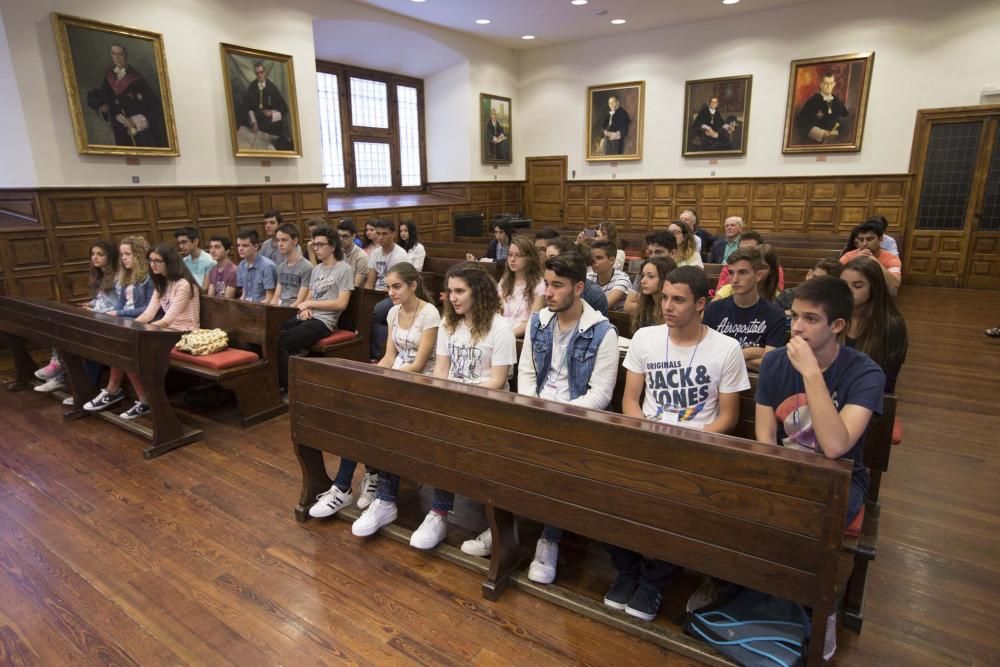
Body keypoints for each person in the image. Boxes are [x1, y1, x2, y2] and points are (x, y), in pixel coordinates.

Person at [755, 276, 884, 662]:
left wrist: (812, 374)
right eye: (794, 316)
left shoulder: (865, 373)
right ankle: (743, 590)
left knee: (810, 521)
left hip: (838, 481)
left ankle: (818, 607)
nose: (796, 327)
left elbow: (835, 446)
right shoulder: (777, 361)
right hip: (783, 472)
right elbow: (765, 439)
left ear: (838, 326)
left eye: (811, 319)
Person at [613, 266, 749, 621]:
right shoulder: (645, 337)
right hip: (647, 440)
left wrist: (694, 442)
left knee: (676, 501)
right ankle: (627, 571)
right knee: (607, 485)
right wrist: (643, 432)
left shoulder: (726, 349)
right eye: (665, 298)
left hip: (697, 448)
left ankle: (654, 583)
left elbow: (728, 417)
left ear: (701, 304)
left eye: (679, 300)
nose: (668, 307)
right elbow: (630, 399)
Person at [516, 252, 619, 583]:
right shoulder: (539, 322)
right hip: (537, 414)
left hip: (578, 423)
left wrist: (558, 417)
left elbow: (600, 396)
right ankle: (505, 528)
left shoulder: (603, 332)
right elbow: (527, 375)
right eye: (546, 284)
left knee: (559, 460)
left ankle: (549, 540)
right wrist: (534, 408)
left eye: (557, 286)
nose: (548, 292)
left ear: (577, 287)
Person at [407, 264, 516, 551]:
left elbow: (497, 381)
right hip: (454, 403)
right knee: (438, 441)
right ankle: (439, 513)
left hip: (488, 408)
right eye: (449, 291)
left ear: (477, 293)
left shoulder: (499, 327)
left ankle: (496, 527)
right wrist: (442, 401)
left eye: (459, 291)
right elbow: (441, 370)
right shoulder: (448, 323)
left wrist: (460, 395)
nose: (452, 298)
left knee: (477, 453)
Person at [350, 264, 442, 536]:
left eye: (396, 286)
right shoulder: (392, 312)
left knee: (387, 417)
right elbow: (390, 356)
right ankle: (372, 473)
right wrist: (373, 375)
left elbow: (420, 364)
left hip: (421, 381)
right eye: (388, 286)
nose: (391, 292)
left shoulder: (430, 313)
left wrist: (388, 382)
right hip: (397, 376)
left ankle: (382, 484)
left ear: (413, 285)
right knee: (360, 408)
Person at [83, 244, 200, 420]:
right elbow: (148, 314)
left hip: (184, 333)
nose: (153, 264)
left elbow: (168, 319)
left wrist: (140, 332)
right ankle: (137, 397)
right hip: (166, 331)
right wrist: (129, 328)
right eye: (151, 260)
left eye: (158, 261)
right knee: (123, 347)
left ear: (170, 262)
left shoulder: (183, 284)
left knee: (130, 349)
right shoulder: (162, 282)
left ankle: (140, 398)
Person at [35, 240, 122, 393]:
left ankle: (63, 375)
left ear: (111, 257)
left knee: (76, 338)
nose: (95, 257)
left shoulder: (118, 277)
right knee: (60, 326)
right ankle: (57, 373)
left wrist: (96, 311)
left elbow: (120, 305)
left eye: (100, 254)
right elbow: (101, 300)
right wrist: (91, 304)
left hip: (111, 320)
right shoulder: (101, 274)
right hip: (98, 316)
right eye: (93, 254)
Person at [277, 226, 354, 392]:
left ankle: (290, 388)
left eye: (320, 245)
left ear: (332, 246)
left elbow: (341, 303)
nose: (316, 249)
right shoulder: (317, 269)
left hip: (323, 322)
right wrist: (304, 309)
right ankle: (285, 381)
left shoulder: (344, 269)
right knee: (273, 332)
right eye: (314, 245)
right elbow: (309, 297)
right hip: (308, 316)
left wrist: (310, 305)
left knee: (284, 341)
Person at [704, 247, 788, 371]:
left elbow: (771, 364)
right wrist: (754, 352)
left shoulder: (775, 314)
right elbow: (707, 356)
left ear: (758, 275)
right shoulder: (714, 309)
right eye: (731, 273)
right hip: (719, 379)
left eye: (743, 272)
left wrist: (731, 356)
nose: (735, 279)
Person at [841, 256, 908, 393]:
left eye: (857, 286)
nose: (848, 292)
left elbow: (886, 383)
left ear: (874, 287)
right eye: (843, 285)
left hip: (868, 397)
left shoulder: (891, 326)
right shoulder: (836, 316)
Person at [85, 44, 166, 148]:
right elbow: (106, 96)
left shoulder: (137, 79)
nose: (117, 58)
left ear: (126, 56)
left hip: (138, 131)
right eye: (114, 54)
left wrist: (135, 121)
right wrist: (103, 106)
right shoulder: (109, 77)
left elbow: (154, 106)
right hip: (119, 129)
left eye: (120, 54)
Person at [367, 219, 410, 359]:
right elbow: (370, 282)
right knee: (362, 309)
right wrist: (365, 298)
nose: (380, 237)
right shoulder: (375, 253)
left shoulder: (400, 255)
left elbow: (400, 285)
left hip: (394, 296)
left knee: (375, 311)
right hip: (377, 293)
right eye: (378, 233)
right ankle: (370, 352)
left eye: (384, 234)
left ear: (393, 234)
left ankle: (377, 354)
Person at [839, 220, 902, 296]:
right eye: (861, 240)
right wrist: (856, 260)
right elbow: (833, 275)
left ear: (880, 239)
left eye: (869, 239)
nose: (864, 243)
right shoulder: (849, 255)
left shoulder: (891, 259)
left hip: (878, 296)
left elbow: (895, 284)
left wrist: (874, 261)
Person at [498, 237, 546, 337]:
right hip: (501, 334)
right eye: (510, 255)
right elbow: (497, 313)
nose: (512, 259)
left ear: (529, 258)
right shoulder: (504, 282)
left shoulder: (540, 284)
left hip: (523, 338)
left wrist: (508, 335)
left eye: (518, 255)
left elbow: (533, 322)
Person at [545, 240, 608, 316]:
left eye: (553, 258)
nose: (547, 294)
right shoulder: (538, 319)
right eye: (546, 257)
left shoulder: (593, 293)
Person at [240, 62, 293, 151]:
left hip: (271, 126)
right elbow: (248, 107)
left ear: (265, 72)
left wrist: (271, 112)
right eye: (257, 73)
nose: (260, 75)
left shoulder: (272, 88)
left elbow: (284, 109)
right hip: (256, 125)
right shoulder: (252, 87)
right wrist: (253, 122)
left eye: (261, 72)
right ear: (255, 74)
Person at [624, 230, 677, 316]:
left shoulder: (681, 276)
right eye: (650, 253)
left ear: (672, 253)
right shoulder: (645, 273)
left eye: (658, 252)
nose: (653, 257)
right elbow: (628, 306)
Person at [714, 231, 785, 292]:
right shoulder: (729, 267)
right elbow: (720, 291)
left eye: (750, 249)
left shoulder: (769, 267)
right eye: (741, 250)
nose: (744, 254)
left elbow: (777, 293)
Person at [794, 70, 849, 145]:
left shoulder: (837, 101)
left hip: (836, 141)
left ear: (834, 84)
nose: (829, 86)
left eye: (831, 83)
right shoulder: (813, 101)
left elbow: (846, 119)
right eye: (826, 83)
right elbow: (801, 122)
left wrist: (837, 132)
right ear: (821, 84)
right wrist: (822, 133)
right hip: (816, 142)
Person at [713, 243, 781, 302]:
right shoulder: (730, 289)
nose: (758, 270)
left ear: (771, 271)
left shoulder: (777, 296)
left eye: (763, 267)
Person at [270, 223, 313, 308]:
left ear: (295, 240)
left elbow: (300, 300)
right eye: (278, 240)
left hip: (293, 310)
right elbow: (276, 296)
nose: (280, 244)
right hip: (279, 308)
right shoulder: (281, 266)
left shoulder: (307, 267)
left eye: (284, 240)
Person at [775, 257, 842, 312]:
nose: (816, 284)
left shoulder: (835, 306)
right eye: (814, 277)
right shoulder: (787, 296)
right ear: (809, 274)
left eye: (823, 282)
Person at [631, 255, 677, 331]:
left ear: (665, 278)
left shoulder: (672, 310)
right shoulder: (646, 304)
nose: (642, 281)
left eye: (650, 276)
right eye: (643, 275)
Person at [235, 228, 278, 304]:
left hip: (262, 308)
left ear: (255, 246)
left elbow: (270, 298)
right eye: (238, 245)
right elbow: (244, 294)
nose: (240, 249)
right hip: (247, 306)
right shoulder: (241, 265)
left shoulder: (267, 266)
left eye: (245, 245)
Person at [587, 240, 632, 311]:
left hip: (615, 321)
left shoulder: (622, 279)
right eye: (592, 258)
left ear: (611, 260)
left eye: (599, 258)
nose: (593, 262)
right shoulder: (588, 276)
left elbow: (605, 305)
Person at [174, 227, 214, 291]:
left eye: (184, 242)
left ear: (195, 241)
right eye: (179, 243)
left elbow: (205, 288)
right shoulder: (184, 261)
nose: (181, 246)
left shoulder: (210, 261)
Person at [336, 219, 370, 287]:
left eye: (345, 236)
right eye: (339, 236)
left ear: (353, 236)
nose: (341, 239)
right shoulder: (337, 253)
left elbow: (356, 286)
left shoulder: (362, 257)